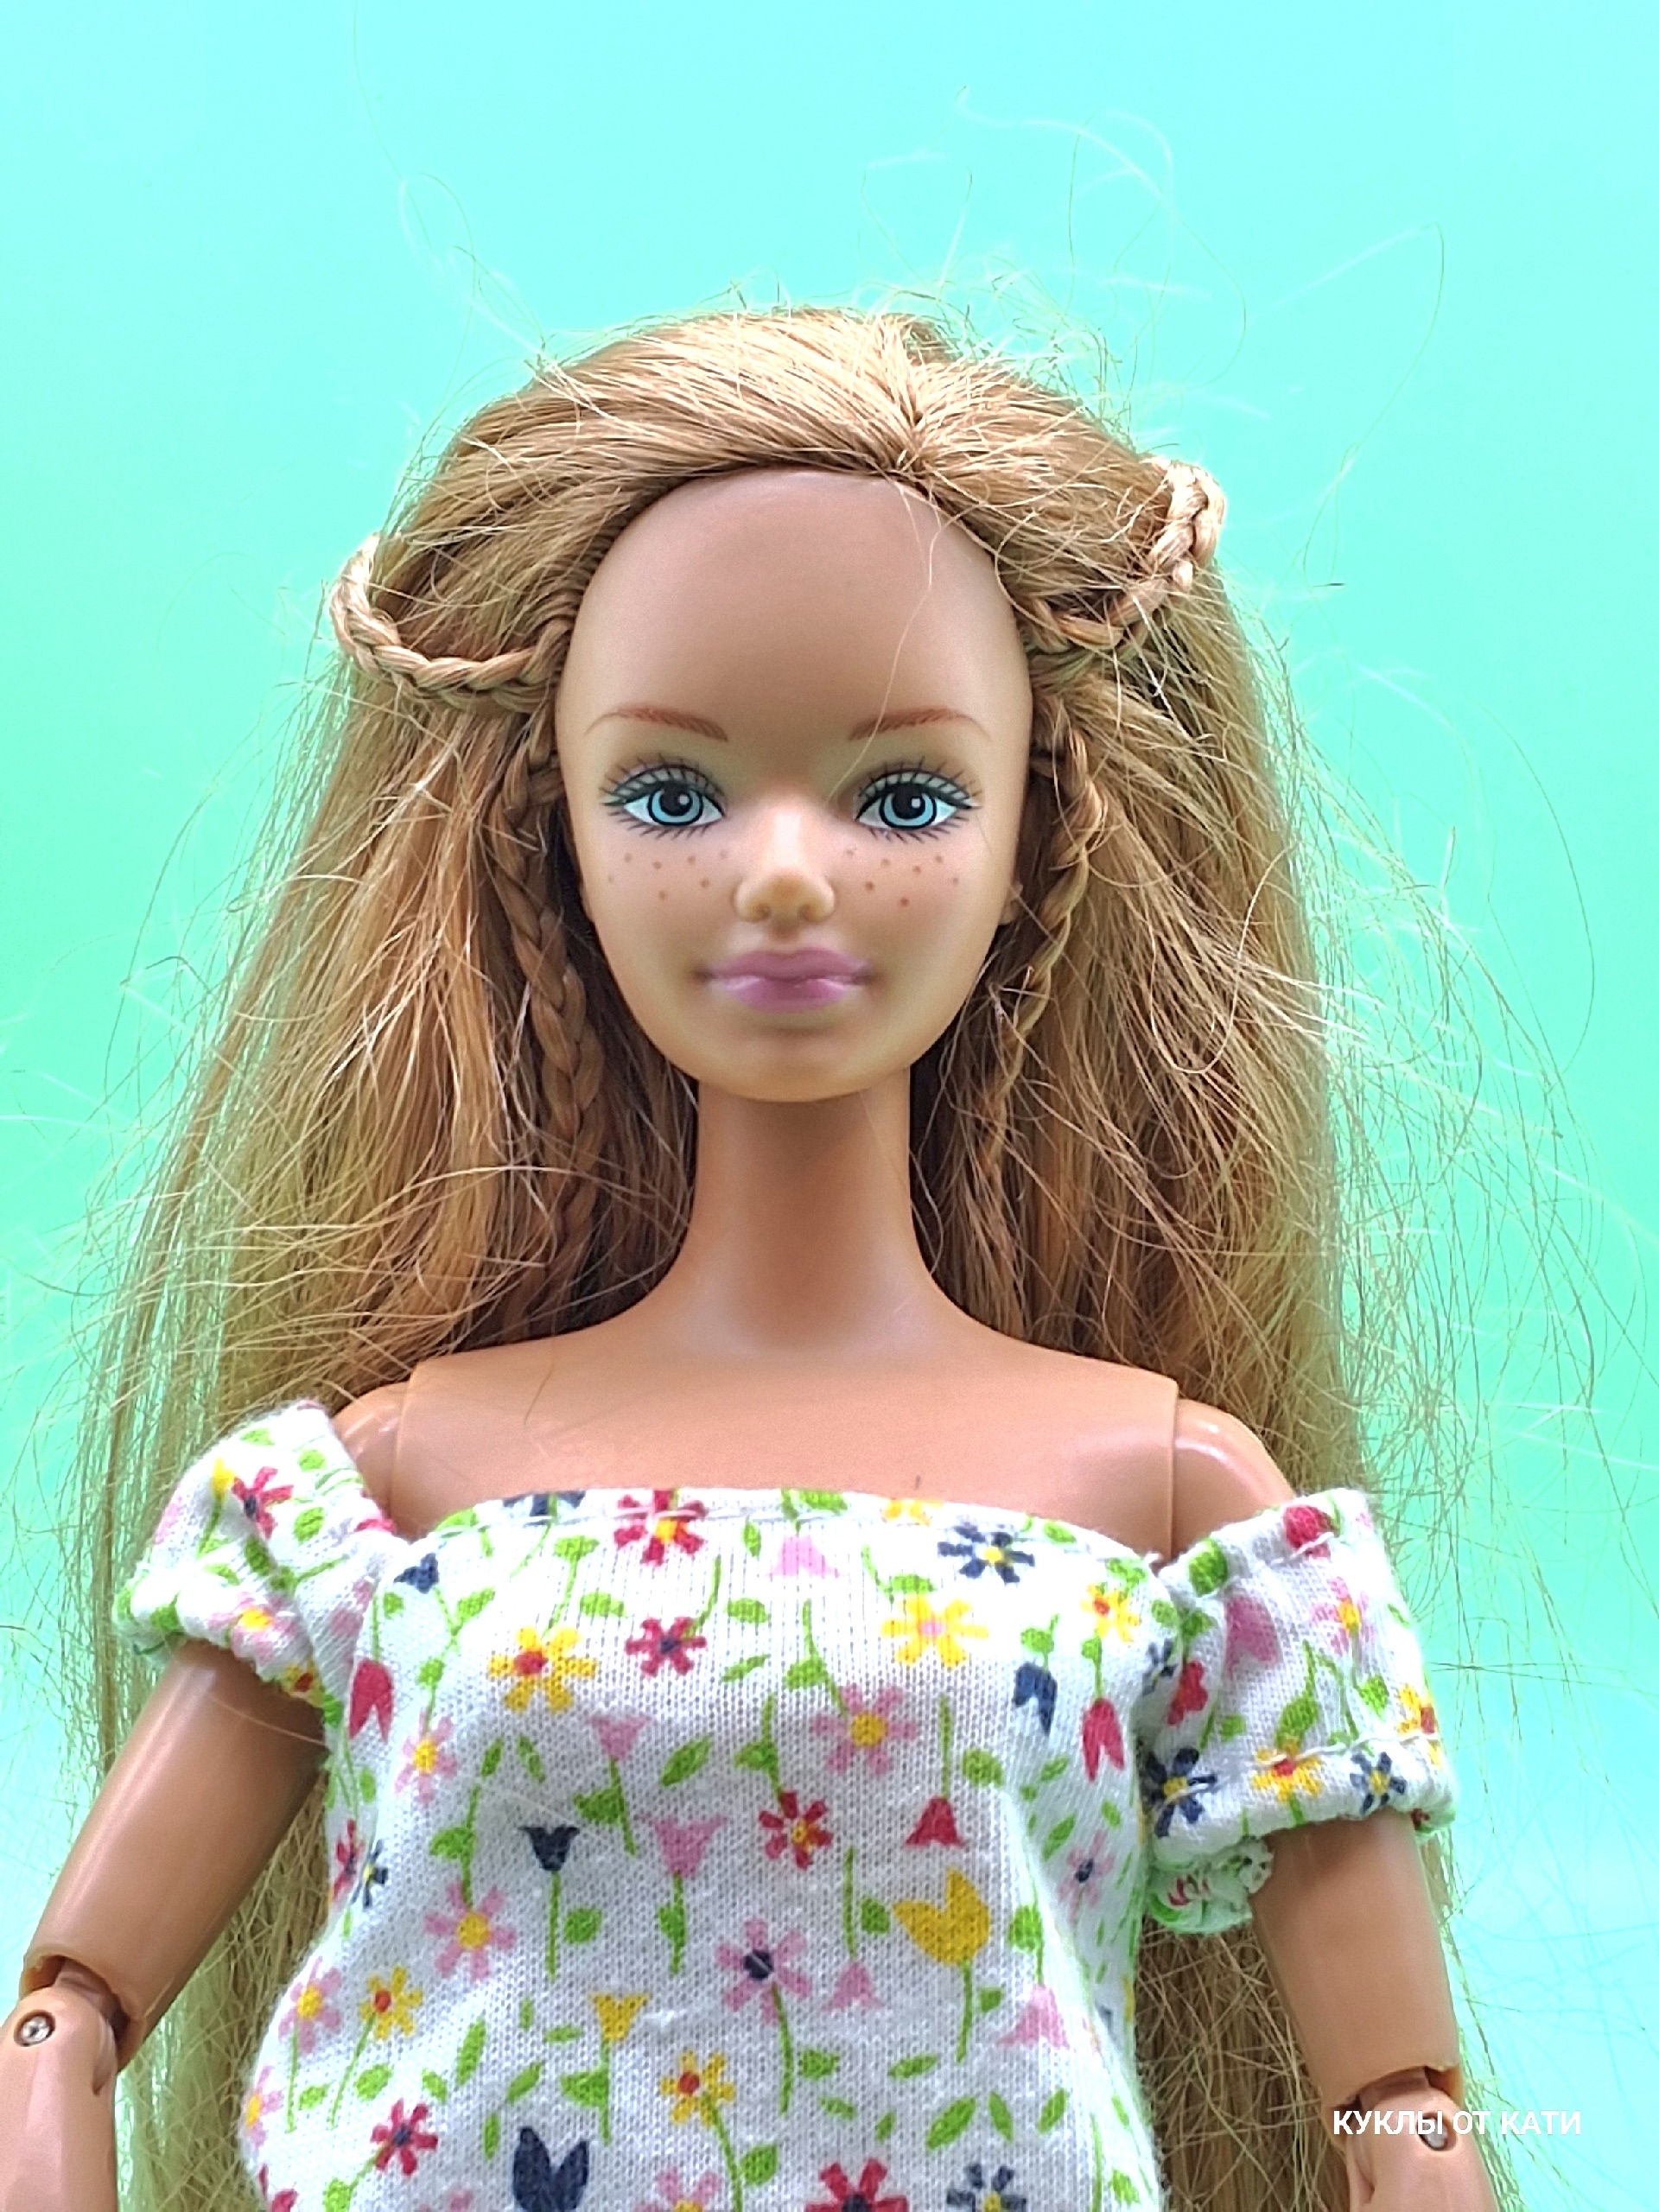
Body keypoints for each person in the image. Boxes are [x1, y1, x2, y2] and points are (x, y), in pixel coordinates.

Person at [0, 308, 1506, 2211]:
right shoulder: (386, 1483)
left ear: (1035, 835)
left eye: (904, 795)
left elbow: (1396, 2091)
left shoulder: (1169, 1492)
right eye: (671, 793)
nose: (785, 872)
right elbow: (70, 2005)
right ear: (551, 834)